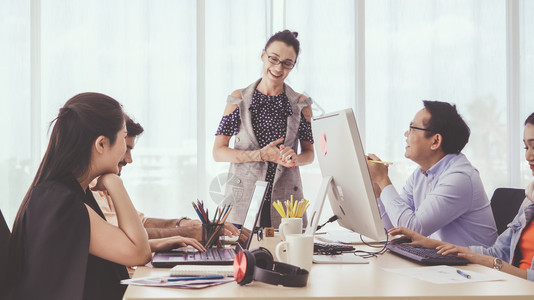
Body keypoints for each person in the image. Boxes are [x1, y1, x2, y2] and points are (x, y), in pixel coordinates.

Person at [390, 112, 534, 282]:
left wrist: (488, 262)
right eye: (526, 147)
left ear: (436, 141)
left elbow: (495, 260)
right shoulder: (530, 199)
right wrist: (433, 245)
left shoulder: (460, 176)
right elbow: (497, 253)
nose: (527, 156)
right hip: (512, 287)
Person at [213, 30, 314, 228]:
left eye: (287, 63)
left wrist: (295, 158)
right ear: (263, 55)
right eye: (273, 59)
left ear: (293, 65)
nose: (278, 67)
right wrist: (260, 155)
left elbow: (309, 154)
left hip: (286, 200)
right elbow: (218, 152)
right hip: (242, 198)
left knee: (288, 255)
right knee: (241, 256)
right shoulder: (238, 99)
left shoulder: (301, 104)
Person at [93, 116, 239, 250]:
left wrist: (182, 223)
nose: (129, 160)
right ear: (101, 145)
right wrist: (191, 233)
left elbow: (141, 222)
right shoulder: (92, 190)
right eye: (126, 149)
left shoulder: (104, 182)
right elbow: (127, 238)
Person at [367, 100, 497, 247]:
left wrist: (383, 179)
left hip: (474, 268)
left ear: (435, 141)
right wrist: (378, 189)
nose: (406, 134)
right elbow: (394, 228)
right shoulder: (420, 173)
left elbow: (412, 230)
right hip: (443, 263)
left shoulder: (460, 178)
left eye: (412, 128)